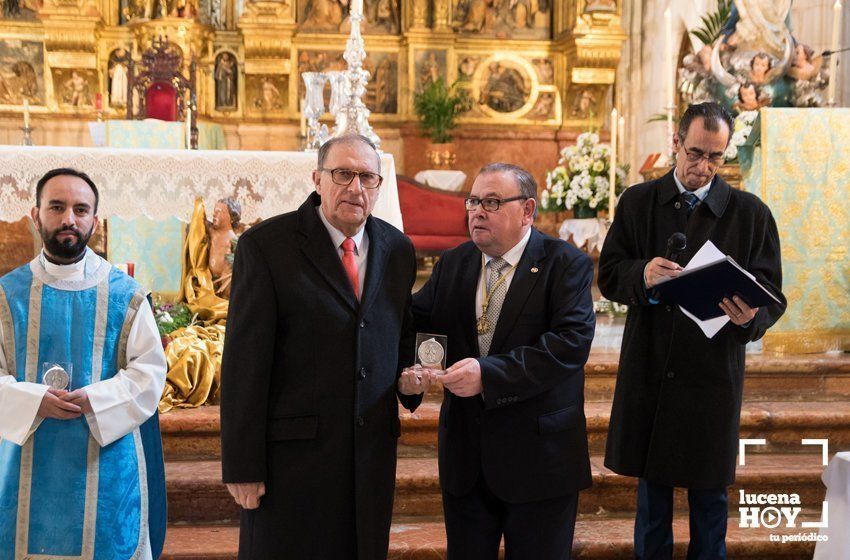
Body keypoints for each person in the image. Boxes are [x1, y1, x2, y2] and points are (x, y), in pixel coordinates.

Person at [599, 102, 786, 559]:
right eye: (696, 153)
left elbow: (772, 293)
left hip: (711, 373)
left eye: (716, 158)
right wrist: (642, 274)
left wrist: (750, 318)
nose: (703, 167)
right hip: (651, 364)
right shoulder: (638, 202)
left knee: (709, 499)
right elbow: (608, 274)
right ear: (676, 144)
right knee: (653, 500)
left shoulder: (750, 213)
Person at [220, 134, 421, 559]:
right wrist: (242, 464)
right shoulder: (268, 247)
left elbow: (400, 335)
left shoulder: (398, 250)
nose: (356, 188)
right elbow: (244, 363)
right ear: (317, 178)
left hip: (369, 456)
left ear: (380, 185)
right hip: (293, 459)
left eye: (367, 177)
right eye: (342, 174)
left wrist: (410, 379)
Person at [407, 162, 596, 559]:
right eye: (473, 200)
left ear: (527, 210)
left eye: (492, 202)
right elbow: (414, 324)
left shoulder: (565, 265)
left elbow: (569, 344)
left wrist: (488, 375)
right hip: (466, 460)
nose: (477, 211)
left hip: (540, 461)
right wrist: (407, 374)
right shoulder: (453, 263)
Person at [0, 168, 167, 559]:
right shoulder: (7, 296)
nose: (68, 219)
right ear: (35, 215)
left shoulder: (126, 295)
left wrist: (95, 400)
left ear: (95, 218)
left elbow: (149, 375)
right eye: (56, 207)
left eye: (80, 209)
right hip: (21, 465)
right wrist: (33, 400)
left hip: (104, 464)